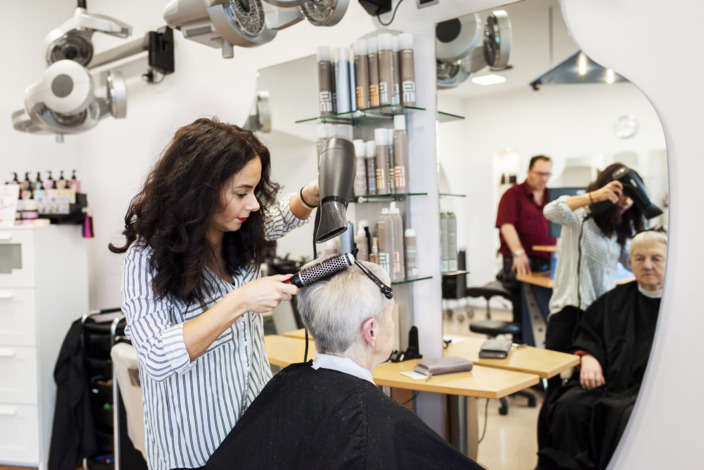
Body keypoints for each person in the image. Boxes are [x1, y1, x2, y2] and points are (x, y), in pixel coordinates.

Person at [108, 117, 320, 470]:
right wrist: (238, 301)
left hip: (256, 431)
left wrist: (308, 196)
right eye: (241, 193)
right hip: (194, 452)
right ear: (199, 192)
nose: (252, 204)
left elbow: (281, 215)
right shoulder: (146, 261)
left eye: (254, 191)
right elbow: (157, 356)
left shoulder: (237, 231)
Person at [206, 260, 484, 470]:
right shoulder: (372, 418)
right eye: (390, 316)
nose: (392, 324)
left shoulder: (286, 381)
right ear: (371, 331)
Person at [537, 229, 667, 470]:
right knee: (568, 405)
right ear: (630, 262)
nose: (647, 265)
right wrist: (588, 357)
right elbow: (589, 333)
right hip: (608, 382)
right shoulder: (613, 300)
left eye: (656, 258)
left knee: (629, 418)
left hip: (652, 391)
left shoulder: (682, 306)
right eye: (639, 258)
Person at [542, 163, 646, 354]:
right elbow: (551, 211)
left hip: (603, 314)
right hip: (569, 311)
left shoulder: (620, 228)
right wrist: (596, 196)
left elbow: (630, 263)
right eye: (622, 194)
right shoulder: (580, 217)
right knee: (555, 373)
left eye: (632, 197)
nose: (626, 202)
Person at [495, 155, 557, 331]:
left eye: (547, 174)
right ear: (529, 172)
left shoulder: (551, 197)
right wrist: (518, 253)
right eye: (539, 173)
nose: (543, 178)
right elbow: (506, 225)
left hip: (547, 262)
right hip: (520, 261)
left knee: (546, 309)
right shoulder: (512, 195)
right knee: (525, 312)